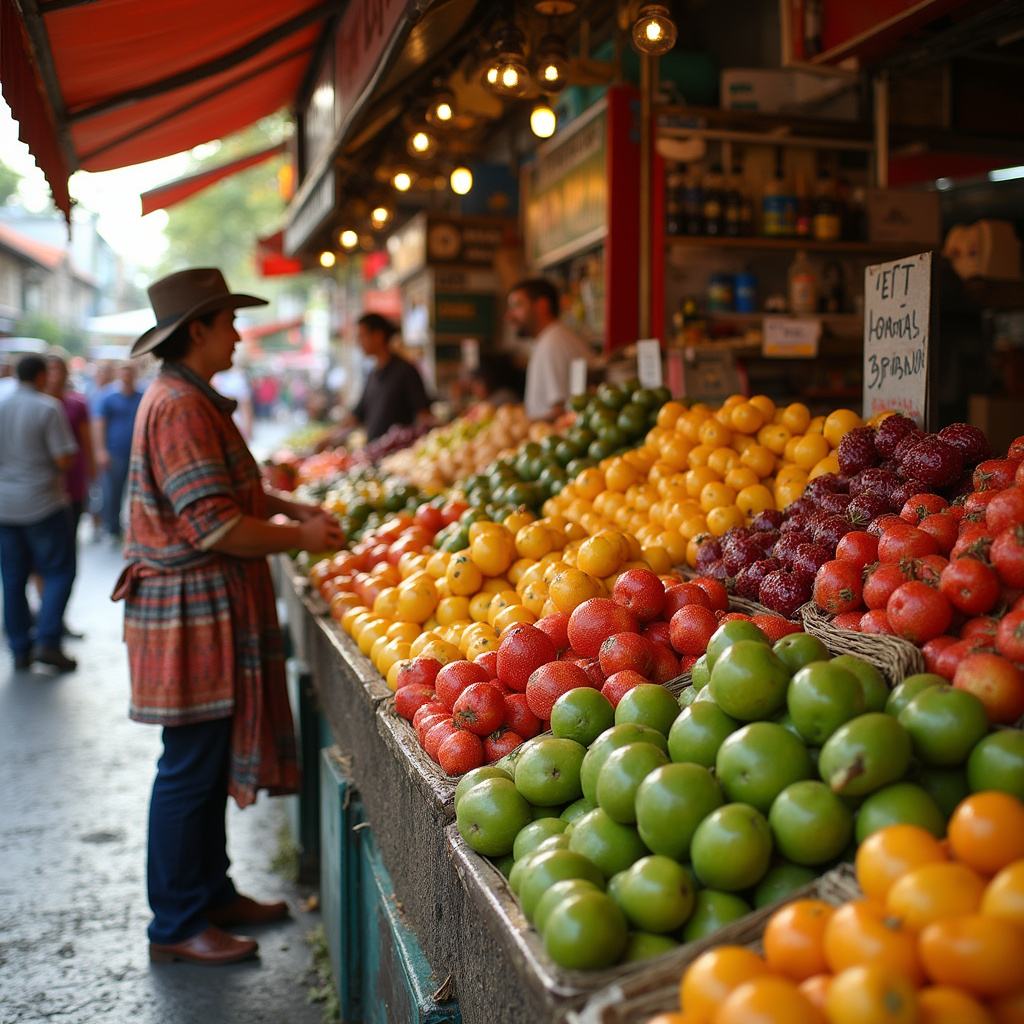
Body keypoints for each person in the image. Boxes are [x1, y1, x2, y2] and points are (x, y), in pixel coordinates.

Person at [111, 268, 344, 967]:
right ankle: (177, 923)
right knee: (188, 766)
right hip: (188, 616)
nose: (239, 334)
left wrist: (288, 508)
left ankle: (209, 893)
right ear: (198, 332)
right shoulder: (179, 407)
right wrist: (298, 537)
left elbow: (232, 491)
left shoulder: (191, 398)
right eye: (228, 322)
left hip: (203, 613)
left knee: (203, 764)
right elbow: (213, 525)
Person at [0, 354, 79, 672]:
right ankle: (48, 640)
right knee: (59, 571)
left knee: (13, 578)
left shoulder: (1, 403)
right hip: (43, 503)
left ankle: (20, 648)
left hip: (5, 505)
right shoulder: (47, 407)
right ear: (42, 376)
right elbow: (63, 459)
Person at [320, 313, 432, 448]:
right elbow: (357, 415)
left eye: (361, 337)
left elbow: (423, 415)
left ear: (378, 336)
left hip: (396, 457)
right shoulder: (372, 374)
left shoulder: (405, 371)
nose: (358, 343)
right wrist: (330, 436)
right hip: (373, 453)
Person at [46, 352, 94, 639]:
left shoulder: (76, 404)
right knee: (46, 563)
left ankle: (53, 618)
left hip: (71, 490)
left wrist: (91, 477)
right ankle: (46, 621)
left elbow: (86, 443)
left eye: (59, 370)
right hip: (42, 496)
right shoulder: (38, 406)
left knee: (63, 558)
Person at [506, 277, 592, 421]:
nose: (509, 316)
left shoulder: (552, 343)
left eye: (517, 306)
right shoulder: (551, 339)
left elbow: (561, 411)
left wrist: (521, 425)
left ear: (542, 305)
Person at [93, 361, 144, 543]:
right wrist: (100, 451)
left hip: (137, 453)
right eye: (123, 371)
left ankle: (137, 528)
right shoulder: (107, 396)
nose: (126, 375)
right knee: (111, 492)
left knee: (138, 493)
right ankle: (112, 528)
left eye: (130, 371)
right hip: (114, 452)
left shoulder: (142, 395)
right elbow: (98, 424)